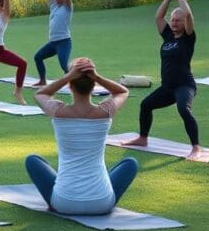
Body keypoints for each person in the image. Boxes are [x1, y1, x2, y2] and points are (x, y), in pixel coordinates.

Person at [26, 57, 139, 215]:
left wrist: (68, 77)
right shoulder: (105, 111)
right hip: (102, 203)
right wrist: (97, 76)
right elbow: (122, 91)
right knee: (130, 163)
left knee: (32, 160)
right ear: (94, 86)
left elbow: (40, 93)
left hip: (64, 203)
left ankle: (56, 201)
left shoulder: (58, 111)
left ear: (70, 86)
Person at [122, 0, 202, 160]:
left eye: (177, 20)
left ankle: (196, 147)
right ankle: (143, 138)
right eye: (172, 20)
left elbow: (188, 14)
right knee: (145, 105)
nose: (174, 23)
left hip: (184, 86)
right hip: (167, 88)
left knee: (184, 109)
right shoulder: (167, 36)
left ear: (184, 23)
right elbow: (158, 17)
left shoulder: (188, 38)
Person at [33, 0, 73, 86]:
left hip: (64, 42)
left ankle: (75, 82)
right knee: (38, 57)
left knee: (64, 65)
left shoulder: (68, 7)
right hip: (53, 42)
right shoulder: (54, 5)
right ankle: (42, 80)